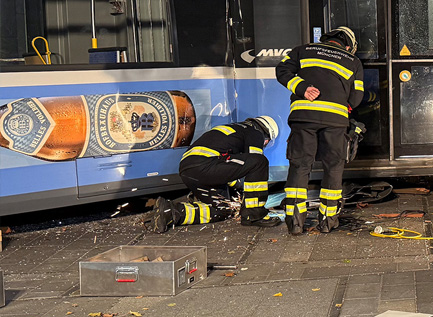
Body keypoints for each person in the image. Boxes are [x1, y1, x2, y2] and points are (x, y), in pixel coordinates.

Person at [275, 26, 364, 235]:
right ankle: (327, 221)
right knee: (333, 167)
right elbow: (357, 96)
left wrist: (301, 87)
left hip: (303, 116)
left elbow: (282, 70)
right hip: (335, 121)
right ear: (348, 45)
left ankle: (295, 223)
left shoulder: (303, 50)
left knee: (300, 166)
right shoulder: (353, 61)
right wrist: (343, 106)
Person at [146, 116, 279, 232]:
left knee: (223, 209)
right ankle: (254, 215)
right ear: (266, 136)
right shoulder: (255, 132)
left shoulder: (236, 130)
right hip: (206, 164)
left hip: (189, 169)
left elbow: (230, 170)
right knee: (259, 162)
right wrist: (250, 198)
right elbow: (255, 161)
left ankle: (171, 212)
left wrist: (236, 187)